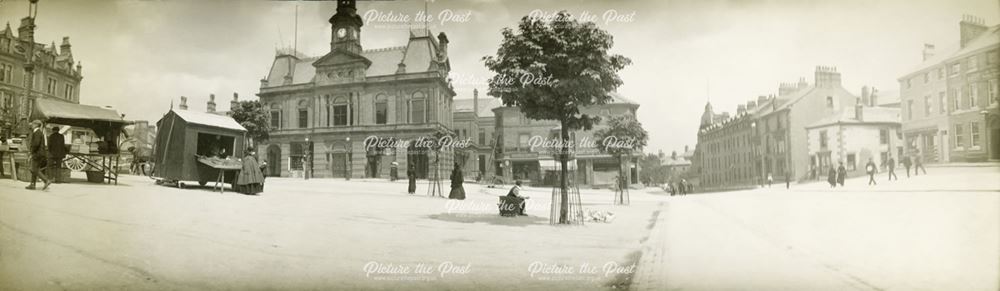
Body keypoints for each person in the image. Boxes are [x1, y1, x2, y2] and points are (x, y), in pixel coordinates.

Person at [25, 120, 51, 190]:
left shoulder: (37, 132)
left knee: (34, 169)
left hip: (37, 153)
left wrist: (31, 151)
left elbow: (36, 144)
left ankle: (46, 180)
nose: (31, 125)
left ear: (36, 125)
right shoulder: (38, 132)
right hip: (39, 153)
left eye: (33, 124)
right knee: (34, 168)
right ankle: (32, 185)